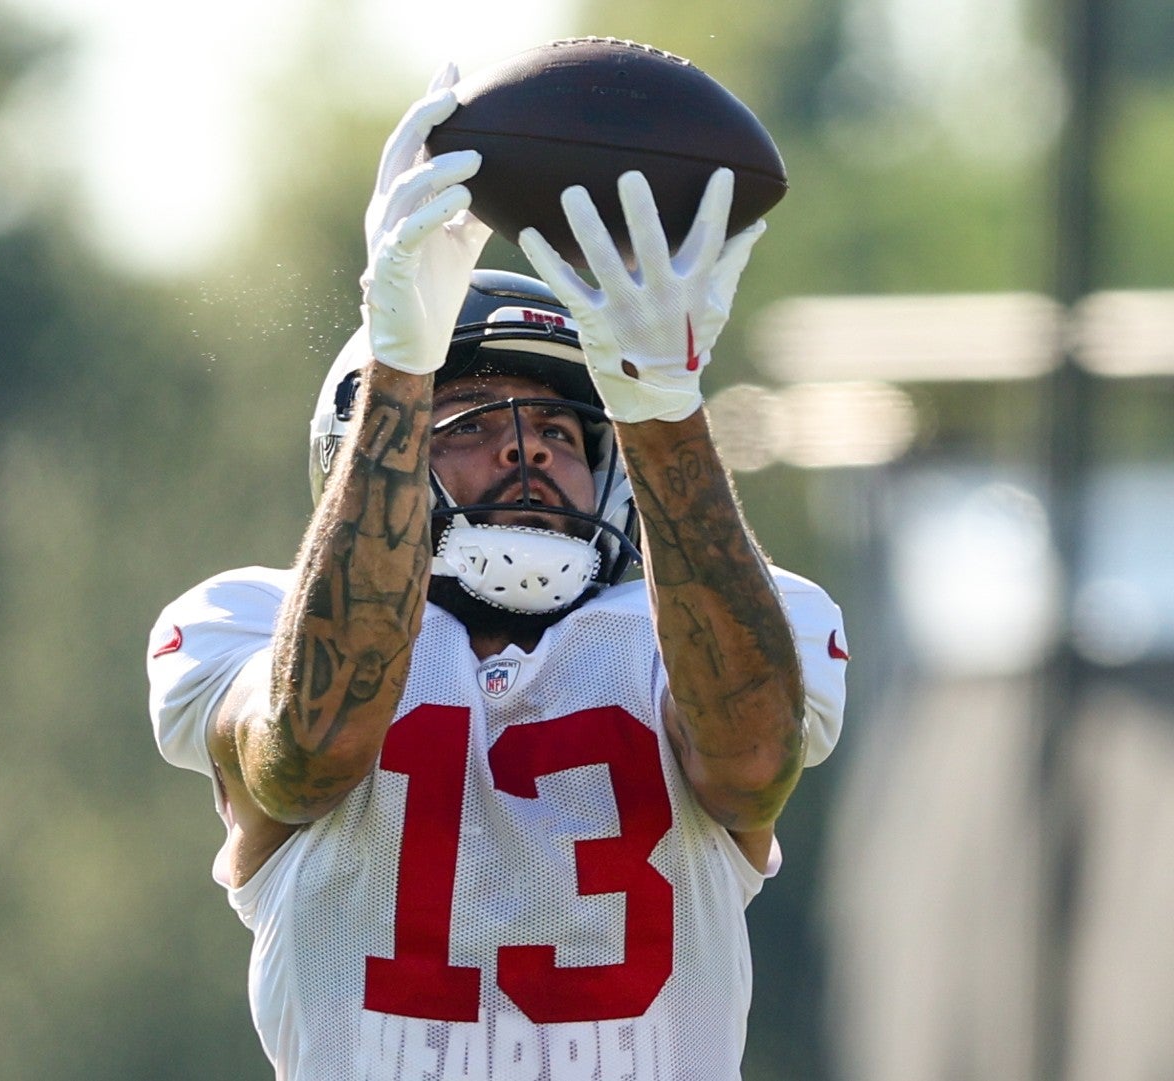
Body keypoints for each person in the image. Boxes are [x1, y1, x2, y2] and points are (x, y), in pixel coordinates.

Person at [147, 65, 848, 1081]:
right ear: (368, 446)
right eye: (471, 422)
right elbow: (308, 753)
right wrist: (400, 362)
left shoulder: (726, 624)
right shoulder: (252, 622)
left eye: (563, 428)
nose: (527, 448)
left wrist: (662, 409)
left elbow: (748, 763)